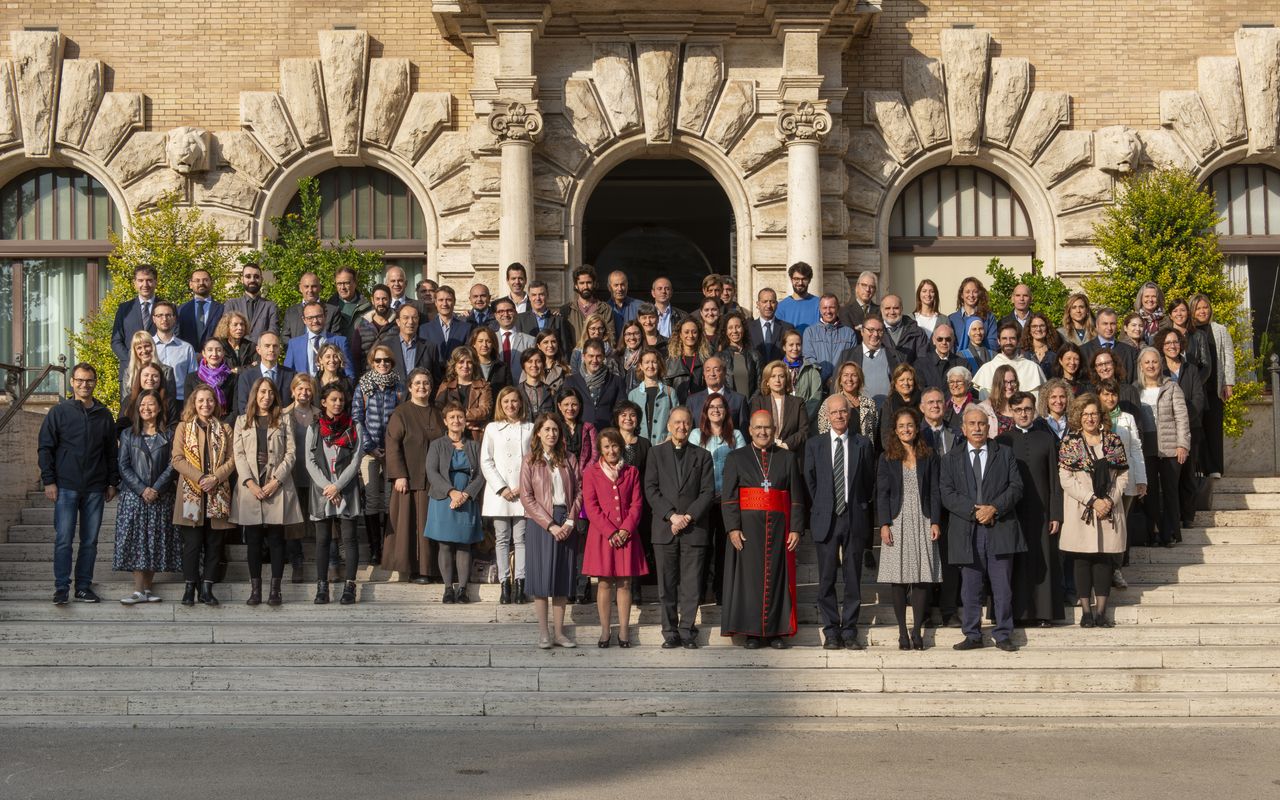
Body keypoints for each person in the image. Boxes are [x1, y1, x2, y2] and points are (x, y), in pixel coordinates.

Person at [940, 406, 1025, 652]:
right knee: (970, 587)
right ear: (963, 428)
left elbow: (1016, 487)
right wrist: (974, 511)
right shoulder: (950, 458)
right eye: (972, 424)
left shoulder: (1004, 454)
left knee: (1002, 587)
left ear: (989, 427)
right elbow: (946, 493)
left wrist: (994, 508)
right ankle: (973, 634)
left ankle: (1003, 634)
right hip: (967, 530)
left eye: (981, 424)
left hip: (999, 527)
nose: (977, 428)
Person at [720, 410, 806, 649]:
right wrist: (733, 528)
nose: (762, 432)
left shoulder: (787, 458)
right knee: (749, 582)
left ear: (774, 430)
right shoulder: (736, 458)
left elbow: (797, 497)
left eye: (767, 427)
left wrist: (796, 528)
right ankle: (753, 633)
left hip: (779, 530)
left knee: (777, 579)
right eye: (758, 427)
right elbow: (728, 497)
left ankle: (776, 632)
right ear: (749, 430)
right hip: (747, 531)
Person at [39, 363, 119, 605]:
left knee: (90, 541)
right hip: (66, 486)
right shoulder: (59, 412)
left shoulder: (104, 415)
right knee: (64, 539)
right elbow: (45, 448)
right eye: (80, 380)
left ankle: (83, 587)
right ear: (72, 382)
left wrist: (112, 482)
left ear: (95, 382)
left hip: (95, 487)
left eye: (89, 380)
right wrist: (49, 481)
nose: (85, 385)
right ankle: (61, 587)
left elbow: (111, 452)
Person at [806, 395, 876, 649]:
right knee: (826, 578)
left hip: (853, 517)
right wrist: (825, 504)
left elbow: (868, 481)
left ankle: (849, 631)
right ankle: (831, 631)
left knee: (852, 577)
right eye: (834, 412)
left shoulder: (863, 444)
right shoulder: (814, 444)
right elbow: (810, 481)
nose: (838, 416)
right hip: (826, 518)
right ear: (827, 416)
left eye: (843, 412)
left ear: (850, 414)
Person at [644, 407, 715, 648]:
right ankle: (670, 632)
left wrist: (688, 517)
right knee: (666, 586)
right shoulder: (655, 453)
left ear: (690, 426)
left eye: (685, 423)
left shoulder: (703, 456)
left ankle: (686, 631)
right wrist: (672, 516)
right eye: (676, 422)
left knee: (691, 585)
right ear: (668, 425)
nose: (681, 427)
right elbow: (651, 489)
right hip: (665, 529)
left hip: (694, 529)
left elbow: (707, 492)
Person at [1058, 393, 1130, 628]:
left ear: (1101, 416)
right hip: (1082, 510)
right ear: (1079, 416)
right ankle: (1086, 613)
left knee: (1103, 560)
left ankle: (1101, 612)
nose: (1090, 418)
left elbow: (1123, 475)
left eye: (1094, 414)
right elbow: (1066, 479)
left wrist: (1108, 500)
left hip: (1108, 510)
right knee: (1082, 560)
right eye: (1085, 414)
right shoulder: (1070, 442)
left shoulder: (1113, 441)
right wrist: (1092, 501)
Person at [231, 377, 302, 607]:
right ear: (255, 394)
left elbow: (291, 453)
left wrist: (276, 481)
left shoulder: (284, 420)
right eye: (262, 392)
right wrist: (250, 483)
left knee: (276, 539)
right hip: (250, 488)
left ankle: (275, 590)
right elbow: (238, 455)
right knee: (253, 540)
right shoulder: (241, 421)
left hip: (276, 487)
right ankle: (255, 591)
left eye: (270, 392)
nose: (266, 396)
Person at [876, 406, 942, 650]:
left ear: (917, 428)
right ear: (895, 430)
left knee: (923, 577)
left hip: (923, 519)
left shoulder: (929, 455)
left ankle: (916, 632)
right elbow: (882, 493)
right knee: (899, 578)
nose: (906, 429)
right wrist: (884, 523)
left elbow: (935, 490)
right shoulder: (887, 457)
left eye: (910, 425)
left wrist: (935, 520)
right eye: (901, 426)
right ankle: (902, 632)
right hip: (897, 519)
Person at [999, 391, 1065, 627]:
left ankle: (1044, 613)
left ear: (1035, 410)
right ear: (1011, 412)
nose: (1023, 414)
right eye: (1018, 410)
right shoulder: (1003, 440)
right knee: (1015, 562)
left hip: (1042, 511)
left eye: (1027, 409)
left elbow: (1055, 480)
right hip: (1013, 512)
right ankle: (1017, 614)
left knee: (1042, 559)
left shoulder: (1046, 439)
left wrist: (1056, 513)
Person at [520, 413, 584, 648]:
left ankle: (559, 633)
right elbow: (526, 497)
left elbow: (580, 490)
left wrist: (569, 521)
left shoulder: (569, 458)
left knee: (561, 578)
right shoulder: (530, 460)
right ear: (538, 432)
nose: (551, 434)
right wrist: (550, 525)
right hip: (540, 523)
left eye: (555, 429)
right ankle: (544, 633)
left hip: (565, 519)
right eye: (546, 429)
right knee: (541, 578)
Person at [170, 383, 236, 607]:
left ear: (215, 403)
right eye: (201, 400)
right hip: (191, 493)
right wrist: (200, 478)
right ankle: (190, 586)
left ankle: (207, 588)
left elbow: (233, 459)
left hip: (217, 492)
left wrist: (215, 478)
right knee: (192, 543)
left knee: (214, 543)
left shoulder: (225, 429)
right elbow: (177, 459)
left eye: (209, 400)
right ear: (194, 403)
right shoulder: (183, 427)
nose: (205, 404)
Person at [583, 428, 649, 647]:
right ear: (600, 450)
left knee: (625, 583)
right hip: (602, 535)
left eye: (614, 446)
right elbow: (591, 506)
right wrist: (610, 531)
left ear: (621, 447)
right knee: (603, 582)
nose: (611, 450)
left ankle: (623, 631)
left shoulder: (632, 472)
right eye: (606, 447)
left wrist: (625, 529)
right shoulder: (591, 472)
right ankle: (605, 631)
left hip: (626, 535)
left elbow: (637, 504)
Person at [113, 390, 180, 604]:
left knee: (154, 541)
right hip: (135, 497)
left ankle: (148, 589)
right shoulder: (127, 434)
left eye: (151, 404)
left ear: (159, 408)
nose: (146, 408)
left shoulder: (170, 435)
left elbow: (173, 465)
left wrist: (156, 488)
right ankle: (138, 590)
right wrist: (142, 489)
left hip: (162, 496)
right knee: (137, 542)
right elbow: (123, 466)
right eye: (142, 405)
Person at [384, 369, 445, 584]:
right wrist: (399, 475)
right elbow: (392, 445)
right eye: (417, 383)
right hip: (410, 479)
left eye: (426, 383)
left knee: (432, 524)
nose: (422, 387)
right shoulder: (401, 413)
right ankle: (416, 570)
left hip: (435, 481)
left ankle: (435, 569)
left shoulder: (438, 413)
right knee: (412, 525)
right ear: (409, 387)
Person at [306, 381, 364, 605]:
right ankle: (322, 586)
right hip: (322, 490)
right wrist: (328, 487)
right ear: (323, 402)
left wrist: (338, 486)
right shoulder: (314, 428)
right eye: (333, 399)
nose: (338, 403)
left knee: (349, 538)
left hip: (346, 489)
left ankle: (350, 586)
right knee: (322, 539)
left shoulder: (354, 426)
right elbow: (310, 461)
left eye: (341, 399)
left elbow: (356, 460)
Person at [424, 403, 485, 604]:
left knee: (464, 544)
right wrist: (451, 492)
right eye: (452, 417)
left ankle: (463, 590)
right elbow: (431, 471)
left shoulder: (475, 446)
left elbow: (481, 474)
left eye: (460, 417)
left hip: (467, 499)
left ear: (465, 421)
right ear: (445, 421)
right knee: (445, 544)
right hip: (443, 498)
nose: (456, 421)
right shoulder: (436, 445)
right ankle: (448, 589)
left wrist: (465, 494)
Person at [481, 387, 533, 603]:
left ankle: (520, 583)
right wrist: (501, 487)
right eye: (506, 402)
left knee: (521, 539)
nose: (510, 405)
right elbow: (486, 460)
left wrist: (523, 486)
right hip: (500, 494)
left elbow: (534, 459)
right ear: (500, 405)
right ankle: (505, 584)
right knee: (502, 538)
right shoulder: (492, 428)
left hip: (523, 492)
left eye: (514, 401)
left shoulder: (530, 428)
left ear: (520, 403)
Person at [353, 343, 404, 566]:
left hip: (392, 450)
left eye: (386, 360)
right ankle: (375, 549)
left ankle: (388, 547)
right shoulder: (363, 386)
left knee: (390, 500)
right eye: (378, 360)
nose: (382, 364)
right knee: (372, 499)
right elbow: (357, 418)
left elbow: (402, 418)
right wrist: (369, 446)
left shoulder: (399, 387)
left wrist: (392, 447)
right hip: (369, 451)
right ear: (372, 363)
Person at [1135, 346, 1189, 548]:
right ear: (1141, 366)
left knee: (1170, 492)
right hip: (1145, 448)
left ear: (1161, 364)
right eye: (1147, 362)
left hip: (1170, 447)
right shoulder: (1135, 389)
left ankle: (1170, 533)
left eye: (1154, 361)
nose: (1151, 365)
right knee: (1149, 493)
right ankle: (1153, 532)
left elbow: (1182, 418)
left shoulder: (1171, 387)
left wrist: (1183, 444)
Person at [1096, 377, 1148, 589]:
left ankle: (1116, 569)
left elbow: (1135, 448)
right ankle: (1101, 569)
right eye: (1106, 394)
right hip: (1101, 480)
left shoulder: (1128, 418)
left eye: (1113, 394)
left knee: (1121, 524)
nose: (1110, 398)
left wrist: (1142, 478)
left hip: (1126, 479)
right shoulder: (1093, 417)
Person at [1156, 327, 1207, 529]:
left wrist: (1184, 419)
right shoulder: (1159, 370)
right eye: (1168, 343)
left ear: (1181, 344)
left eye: (1175, 342)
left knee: (1188, 475)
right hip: (1167, 432)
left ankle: (1188, 516)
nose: (1172, 346)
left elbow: (1198, 399)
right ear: (1161, 346)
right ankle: (1173, 516)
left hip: (1190, 428)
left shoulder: (1191, 369)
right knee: (1171, 476)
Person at [920, 386, 963, 626]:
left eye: (939, 402)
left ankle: (949, 610)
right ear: (922, 407)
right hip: (925, 504)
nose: (936, 406)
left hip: (951, 506)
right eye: (931, 402)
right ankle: (924, 610)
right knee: (925, 558)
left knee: (949, 560)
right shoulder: (915, 434)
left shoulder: (956, 433)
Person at [557, 386, 597, 604]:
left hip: (584, 488)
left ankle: (583, 586)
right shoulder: (555, 428)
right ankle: (567, 585)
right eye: (566, 404)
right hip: (560, 488)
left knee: (582, 537)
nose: (570, 408)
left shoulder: (588, 428)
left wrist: (581, 477)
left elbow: (594, 456)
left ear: (580, 406)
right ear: (559, 406)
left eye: (574, 404)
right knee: (565, 537)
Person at [1190, 293, 1235, 478]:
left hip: (1214, 387)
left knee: (1214, 428)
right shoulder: (1189, 331)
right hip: (1196, 387)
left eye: (1205, 307)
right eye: (1198, 308)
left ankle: (1215, 468)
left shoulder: (1220, 330)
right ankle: (1199, 467)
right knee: (1197, 428)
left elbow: (1228, 356)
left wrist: (1228, 382)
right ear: (1192, 311)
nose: (1203, 311)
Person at [283, 374, 319, 583]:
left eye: (308, 389)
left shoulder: (320, 415)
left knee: (320, 519)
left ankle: (330, 561)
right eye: (300, 388)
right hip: (292, 474)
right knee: (293, 521)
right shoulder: (283, 415)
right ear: (293, 391)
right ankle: (297, 562)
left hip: (315, 475)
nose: (304, 392)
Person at [435, 345, 493, 442]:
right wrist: (461, 422)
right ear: (454, 365)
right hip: (451, 436)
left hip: (475, 436)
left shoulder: (483, 386)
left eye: (469, 362)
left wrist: (458, 417)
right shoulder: (446, 385)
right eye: (461, 362)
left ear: (474, 365)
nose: (465, 366)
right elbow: (438, 410)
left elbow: (485, 410)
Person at [285, 301, 355, 379]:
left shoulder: (340, 342)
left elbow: (350, 375)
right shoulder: (294, 344)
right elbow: (287, 375)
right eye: (310, 318)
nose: (315, 321)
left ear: (325, 316)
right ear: (304, 320)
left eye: (319, 316)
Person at [972, 321, 1046, 397]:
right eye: (1004, 338)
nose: (1008, 342)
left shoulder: (1033, 368)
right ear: (998, 341)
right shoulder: (987, 369)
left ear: (1018, 341)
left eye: (1012, 338)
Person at [111, 265, 160, 376]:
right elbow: (116, 341)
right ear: (135, 283)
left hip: (157, 371)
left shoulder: (166, 308)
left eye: (149, 280)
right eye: (140, 280)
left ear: (155, 282)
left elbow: (173, 336)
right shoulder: (124, 309)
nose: (145, 285)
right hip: (130, 371)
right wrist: (134, 359)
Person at [751, 360, 810, 451]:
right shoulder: (758, 402)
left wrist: (786, 445)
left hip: (791, 452)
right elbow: (755, 428)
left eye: (781, 376)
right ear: (767, 381)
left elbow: (804, 430)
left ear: (786, 380)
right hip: (765, 451)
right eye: (773, 376)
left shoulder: (798, 403)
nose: (777, 380)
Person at [567, 338, 624, 432]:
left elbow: (621, 410)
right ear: (583, 356)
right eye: (591, 356)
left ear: (604, 357)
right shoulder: (571, 381)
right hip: (580, 433)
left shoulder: (616, 381)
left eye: (598, 356)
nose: (594, 360)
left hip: (607, 433)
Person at [804, 294, 858, 383]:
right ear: (820, 309)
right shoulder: (810, 332)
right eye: (825, 308)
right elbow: (809, 358)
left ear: (838, 308)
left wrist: (836, 379)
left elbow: (851, 361)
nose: (828, 311)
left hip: (842, 384)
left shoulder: (849, 333)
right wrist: (824, 378)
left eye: (832, 307)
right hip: (818, 384)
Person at [629, 347, 678, 445]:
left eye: (654, 362)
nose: (650, 366)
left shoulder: (670, 392)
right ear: (641, 366)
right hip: (640, 446)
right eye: (647, 362)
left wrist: (668, 439)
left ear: (659, 365)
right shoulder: (633, 395)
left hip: (664, 445)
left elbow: (677, 419)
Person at [380, 303, 438, 386]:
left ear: (418, 321)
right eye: (406, 318)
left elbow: (436, 379)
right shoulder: (386, 347)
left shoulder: (430, 347)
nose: (411, 322)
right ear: (398, 322)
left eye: (414, 318)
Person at [687, 356, 749, 433]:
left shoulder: (739, 400)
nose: (712, 374)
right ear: (704, 374)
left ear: (724, 372)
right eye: (708, 370)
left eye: (716, 370)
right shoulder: (692, 401)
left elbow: (744, 431)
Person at [817, 361, 878, 438]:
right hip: (838, 445)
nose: (849, 379)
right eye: (845, 375)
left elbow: (873, 431)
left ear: (859, 379)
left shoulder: (869, 404)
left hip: (863, 445)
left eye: (854, 375)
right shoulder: (829, 403)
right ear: (840, 380)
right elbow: (823, 432)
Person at [151, 301, 198, 401]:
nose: (164, 319)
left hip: (180, 400)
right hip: (153, 400)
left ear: (175, 318)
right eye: (160, 315)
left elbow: (193, 380)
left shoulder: (186, 348)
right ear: (154, 319)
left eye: (168, 315)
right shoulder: (148, 347)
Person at [119, 362, 181, 434]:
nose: (150, 379)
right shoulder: (129, 399)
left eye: (155, 376)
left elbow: (173, 426)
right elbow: (121, 425)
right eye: (146, 375)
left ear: (160, 379)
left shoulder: (168, 401)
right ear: (139, 378)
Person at [185, 338, 238, 421]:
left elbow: (235, 409)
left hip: (225, 424)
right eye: (210, 350)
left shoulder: (233, 378)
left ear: (223, 353)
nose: (214, 354)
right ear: (203, 353)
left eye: (218, 350)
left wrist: (223, 426)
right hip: (199, 424)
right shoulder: (192, 378)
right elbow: (188, 407)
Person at [1080, 308, 1138, 383]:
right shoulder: (1083, 351)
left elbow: (1134, 382)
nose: (1109, 328)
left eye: (1112, 324)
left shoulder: (1131, 352)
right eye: (1105, 324)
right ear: (1097, 325)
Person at [224, 263, 279, 341]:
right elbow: (226, 331)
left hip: (260, 348)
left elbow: (273, 334)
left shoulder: (270, 306)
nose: (252, 280)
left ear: (262, 279)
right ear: (242, 279)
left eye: (256, 277)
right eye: (248, 276)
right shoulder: (231, 304)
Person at [121, 330, 178, 405]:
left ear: (153, 346)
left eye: (146, 346)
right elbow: (125, 402)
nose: (144, 351)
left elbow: (170, 400)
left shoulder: (166, 371)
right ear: (135, 351)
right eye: (139, 348)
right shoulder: (129, 373)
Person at [350, 284, 397, 375]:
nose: (381, 303)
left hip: (392, 377)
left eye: (384, 299)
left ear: (390, 300)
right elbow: (355, 357)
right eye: (377, 299)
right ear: (372, 300)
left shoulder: (398, 324)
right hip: (367, 377)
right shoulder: (361, 325)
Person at [421, 285, 474, 365]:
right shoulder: (424, 329)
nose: (444, 304)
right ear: (435, 302)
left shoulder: (466, 328)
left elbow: (468, 355)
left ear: (454, 302)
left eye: (448, 300)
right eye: (441, 300)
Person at [781, 329, 824, 425]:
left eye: (798, 344)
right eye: (791, 345)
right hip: (781, 421)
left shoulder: (812, 370)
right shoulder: (776, 369)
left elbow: (816, 398)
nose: (795, 348)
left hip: (804, 422)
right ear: (784, 347)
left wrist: (801, 419)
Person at [282, 272, 341, 341]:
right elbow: (285, 337)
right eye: (306, 286)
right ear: (300, 288)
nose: (310, 290)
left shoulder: (332, 311)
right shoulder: (291, 312)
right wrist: (296, 347)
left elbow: (335, 338)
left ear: (319, 288)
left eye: (314, 286)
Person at [877, 363, 922, 450]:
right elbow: (885, 434)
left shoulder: (922, 400)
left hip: (920, 449)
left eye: (909, 379)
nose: (906, 383)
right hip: (896, 451)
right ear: (895, 383)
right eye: (902, 380)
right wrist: (896, 452)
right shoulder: (888, 404)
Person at [664, 317, 710, 402]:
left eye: (694, 332)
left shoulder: (706, 360)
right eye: (686, 332)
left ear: (699, 335)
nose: (690, 335)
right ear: (680, 335)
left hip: (700, 405)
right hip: (678, 406)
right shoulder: (670, 361)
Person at [718, 310, 760, 400]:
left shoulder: (755, 355)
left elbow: (760, 385)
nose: (734, 331)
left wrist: (750, 403)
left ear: (743, 329)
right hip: (728, 405)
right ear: (726, 331)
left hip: (751, 405)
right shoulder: (719, 357)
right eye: (730, 328)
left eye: (738, 327)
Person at [517, 281, 570, 353]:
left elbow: (565, 349)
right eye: (534, 295)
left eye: (541, 294)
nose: (537, 298)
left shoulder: (558, 320)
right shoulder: (520, 319)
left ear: (547, 295)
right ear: (529, 297)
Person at [177, 268, 224, 349]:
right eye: (197, 280)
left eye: (205, 280)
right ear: (191, 284)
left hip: (214, 354)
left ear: (211, 283)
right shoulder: (181, 310)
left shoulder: (221, 309)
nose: (201, 283)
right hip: (189, 354)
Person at [1087, 347, 1141, 417]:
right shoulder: (1090, 393)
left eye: (1107, 363)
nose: (1104, 368)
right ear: (1095, 368)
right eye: (1100, 365)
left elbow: (1138, 421)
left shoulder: (1130, 391)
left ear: (1114, 364)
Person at [947, 277, 998, 352]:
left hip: (983, 358)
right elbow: (950, 345)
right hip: (958, 358)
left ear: (979, 294)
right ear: (961, 295)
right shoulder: (952, 319)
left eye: (975, 292)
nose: (971, 295)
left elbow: (993, 344)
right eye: (967, 292)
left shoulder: (988, 317)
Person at [1165, 297, 1212, 376]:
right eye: (1175, 311)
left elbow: (1206, 367)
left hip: (1194, 381)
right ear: (1170, 315)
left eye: (1182, 310)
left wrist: (1194, 382)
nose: (1179, 314)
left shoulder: (1199, 335)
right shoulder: (1163, 336)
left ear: (1188, 313)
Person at [561, 265, 605, 346]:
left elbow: (610, 337)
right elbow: (564, 340)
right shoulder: (566, 310)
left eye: (589, 282)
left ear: (594, 284)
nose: (585, 286)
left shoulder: (605, 309)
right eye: (582, 283)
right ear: (576, 285)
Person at [914, 323, 965, 392]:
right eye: (940, 339)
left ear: (953, 340)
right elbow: (919, 390)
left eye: (948, 339)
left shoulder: (962, 364)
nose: (944, 342)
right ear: (934, 340)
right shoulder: (921, 364)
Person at [750, 287, 794, 365]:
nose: (768, 305)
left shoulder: (787, 328)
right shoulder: (749, 328)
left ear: (777, 304)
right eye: (765, 301)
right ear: (758, 304)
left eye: (772, 302)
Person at [880, 294, 927, 364]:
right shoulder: (874, 332)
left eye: (896, 308)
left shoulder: (917, 332)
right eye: (887, 308)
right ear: (881, 310)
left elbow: (922, 361)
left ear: (902, 309)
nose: (892, 312)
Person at [329, 266, 372, 341]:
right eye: (339, 284)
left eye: (346, 283)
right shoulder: (329, 307)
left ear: (355, 283)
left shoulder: (367, 307)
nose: (342, 287)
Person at [976, 364, 1019, 436]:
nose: (1009, 386)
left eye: (1012, 382)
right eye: (1005, 382)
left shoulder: (1024, 407)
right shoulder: (983, 409)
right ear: (997, 384)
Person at [569, 311, 616, 377]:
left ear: (604, 330)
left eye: (600, 328)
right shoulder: (577, 353)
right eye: (593, 328)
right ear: (587, 330)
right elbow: (574, 377)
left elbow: (615, 376)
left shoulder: (611, 352)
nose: (597, 332)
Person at [776, 261, 819, 332]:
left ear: (809, 280)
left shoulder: (819, 304)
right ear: (791, 280)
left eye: (804, 279)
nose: (800, 283)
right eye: (796, 279)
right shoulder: (781, 307)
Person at [469, 324, 511, 391]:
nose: (484, 345)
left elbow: (508, 392)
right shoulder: (469, 366)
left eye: (488, 341)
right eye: (480, 341)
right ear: (474, 344)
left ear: (493, 344)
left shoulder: (502, 367)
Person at [1020, 312, 1062, 378]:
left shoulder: (1055, 352)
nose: (1038, 329)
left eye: (1042, 326)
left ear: (1047, 328)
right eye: (1034, 326)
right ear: (1029, 329)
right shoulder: (1022, 353)